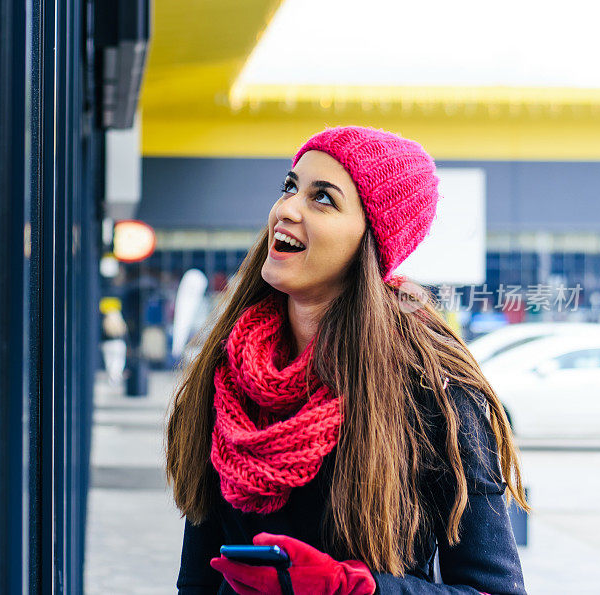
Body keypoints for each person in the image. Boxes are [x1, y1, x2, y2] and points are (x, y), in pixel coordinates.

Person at [165, 126, 529, 594]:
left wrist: (356, 588)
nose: (286, 209)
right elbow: (197, 578)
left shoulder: (433, 391)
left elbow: (496, 589)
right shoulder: (229, 375)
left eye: (323, 199)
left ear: (370, 241)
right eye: (290, 187)